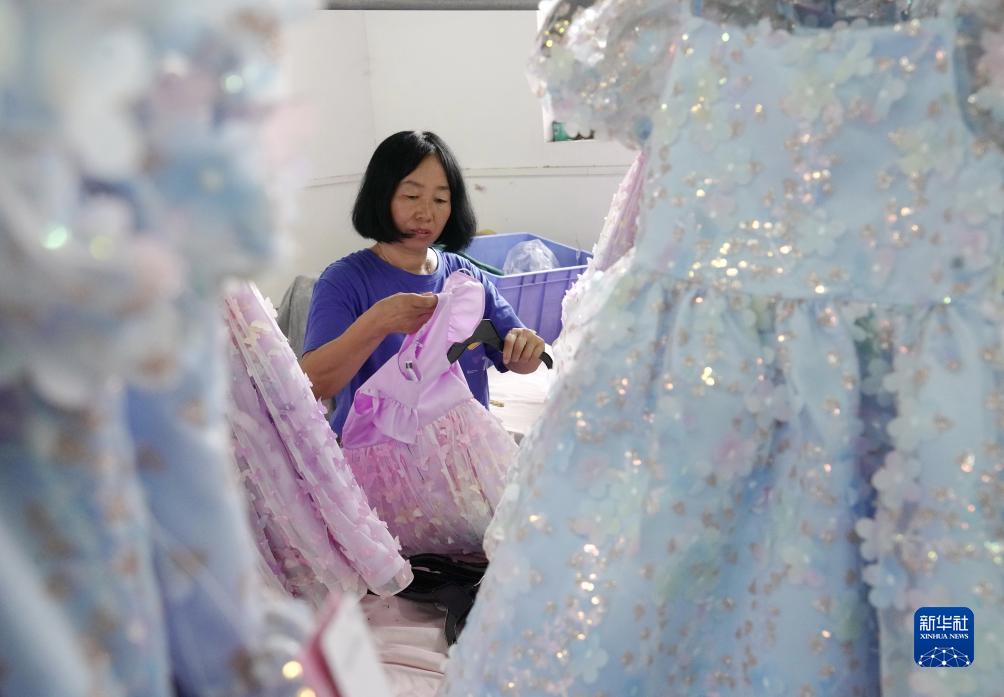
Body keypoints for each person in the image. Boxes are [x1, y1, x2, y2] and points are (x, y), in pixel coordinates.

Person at [302, 131, 546, 436]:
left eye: (440, 200)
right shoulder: (344, 281)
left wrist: (527, 349)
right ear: (381, 196)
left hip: (464, 450)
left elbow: (520, 360)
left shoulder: (466, 278)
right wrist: (377, 322)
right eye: (411, 196)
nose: (426, 213)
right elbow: (312, 385)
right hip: (377, 454)